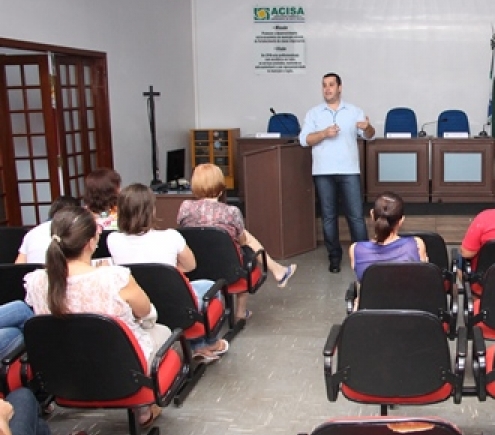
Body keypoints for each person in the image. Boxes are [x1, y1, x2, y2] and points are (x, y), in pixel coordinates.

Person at [23, 207, 168, 428]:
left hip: (64, 373)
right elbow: (147, 313)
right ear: (91, 242)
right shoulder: (114, 277)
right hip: (119, 368)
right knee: (163, 332)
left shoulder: (36, 282)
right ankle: (144, 408)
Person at [108, 183, 226, 363]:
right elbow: (190, 265)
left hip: (138, 307)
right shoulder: (171, 237)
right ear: (151, 210)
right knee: (211, 286)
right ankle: (203, 343)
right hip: (173, 303)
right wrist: (165, 271)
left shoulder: (112, 239)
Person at [177, 164, 297, 321]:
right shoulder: (231, 212)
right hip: (228, 268)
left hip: (196, 267)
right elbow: (242, 240)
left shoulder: (185, 207)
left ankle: (278, 271)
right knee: (244, 247)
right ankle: (241, 310)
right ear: (221, 188)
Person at [298, 72, 376, 274]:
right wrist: (324, 133)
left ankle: (364, 258)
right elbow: (303, 140)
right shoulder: (314, 113)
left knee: (356, 216)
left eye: (331, 85)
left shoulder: (353, 111)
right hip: (323, 172)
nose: (327, 89)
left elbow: (369, 136)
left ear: (340, 87)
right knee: (329, 217)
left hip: (349, 170)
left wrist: (368, 128)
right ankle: (334, 258)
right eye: (324, 85)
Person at [349, 192, 427, 283]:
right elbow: (422, 279)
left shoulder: (355, 249)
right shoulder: (416, 244)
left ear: (372, 215)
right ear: (401, 220)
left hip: (373, 297)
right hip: (408, 297)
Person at [15, 195, 82, 264]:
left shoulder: (31, 233)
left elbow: (19, 264)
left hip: (32, 273)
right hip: (60, 272)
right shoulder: (74, 230)